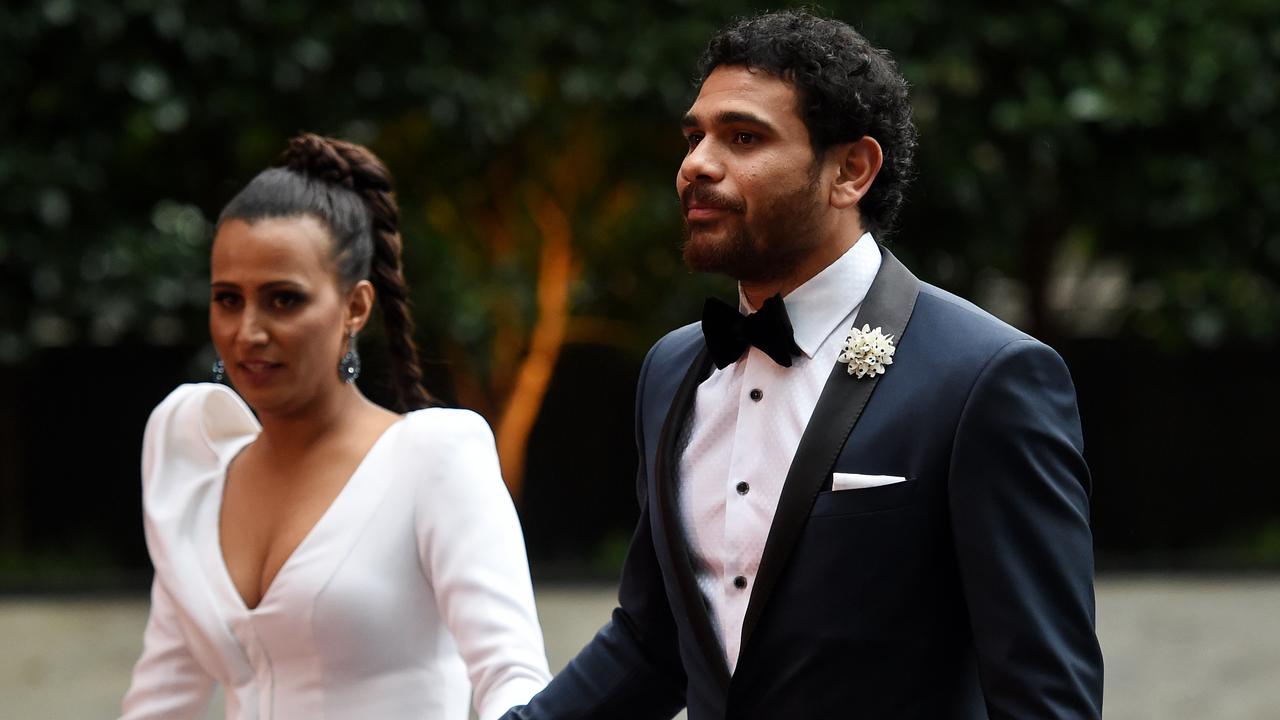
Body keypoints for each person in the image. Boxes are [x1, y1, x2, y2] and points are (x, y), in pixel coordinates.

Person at [505, 9, 1103, 719]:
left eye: (743, 137)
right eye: (695, 136)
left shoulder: (986, 378)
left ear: (850, 170)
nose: (696, 163)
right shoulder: (671, 371)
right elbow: (651, 641)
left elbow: (1044, 698)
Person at [120, 134, 551, 719]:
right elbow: (160, 700)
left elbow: (513, 676)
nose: (248, 331)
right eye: (228, 299)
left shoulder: (432, 458)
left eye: (283, 300)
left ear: (356, 306)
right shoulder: (194, 468)